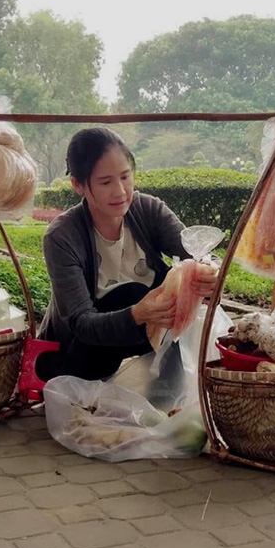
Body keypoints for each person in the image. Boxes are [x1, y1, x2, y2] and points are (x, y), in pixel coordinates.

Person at [38, 126, 217, 380]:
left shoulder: (148, 210)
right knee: (131, 293)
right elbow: (81, 323)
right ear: (78, 185)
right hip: (83, 356)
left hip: (152, 346)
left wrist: (208, 274)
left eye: (125, 176)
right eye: (105, 182)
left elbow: (193, 255)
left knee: (171, 286)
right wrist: (137, 314)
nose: (120, 192)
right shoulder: (62, 237)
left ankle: (166, 393)